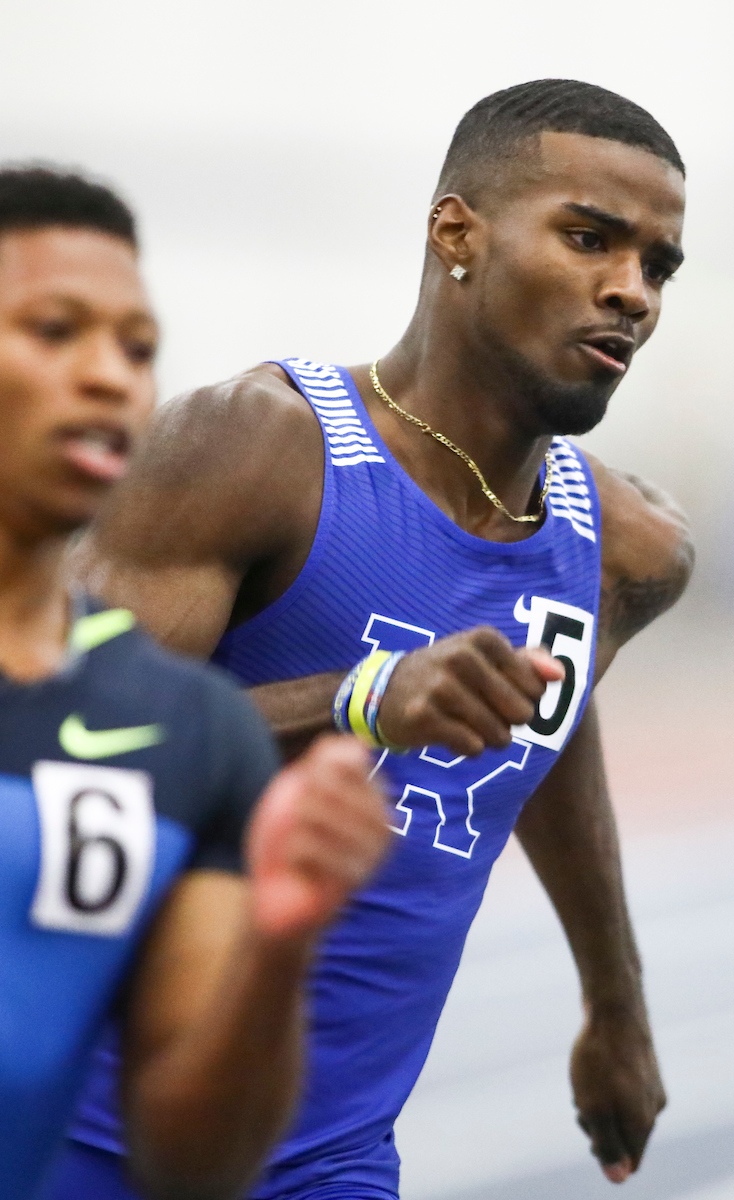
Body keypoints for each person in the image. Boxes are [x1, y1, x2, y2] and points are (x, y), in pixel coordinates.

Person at [64, 79, 695, 1198]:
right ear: (458, 232)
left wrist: (615, 1001)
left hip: (333, 1159)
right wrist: (356, 699)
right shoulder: (256, 447)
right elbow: (67, 746)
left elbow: (540, 737)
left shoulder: (626, 551)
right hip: (87, 1130)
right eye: (590, 238)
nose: (629, 292)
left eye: (656, 265)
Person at [0, 165, 389, 1200]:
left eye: (136, 348)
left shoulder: (187, 729)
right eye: (53, 330)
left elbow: (192, 1167)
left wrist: (281, 939)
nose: (108, 377)